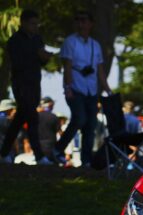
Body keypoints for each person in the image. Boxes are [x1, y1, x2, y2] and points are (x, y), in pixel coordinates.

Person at [54, 10, 112, 167]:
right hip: (75, 88)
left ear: (91, 24)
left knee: (90, 125)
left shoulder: (95, 45)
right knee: (79, 119)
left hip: (91, 89)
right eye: (78, 20)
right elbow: (67, 66)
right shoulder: (70, 42)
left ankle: (86, 160)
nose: (80, 23)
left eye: (84, 20)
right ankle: (58, 149)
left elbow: (100, 70)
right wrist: (67, 87)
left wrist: (108, 90)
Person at [0, 9, 53, 165]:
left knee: (19, 119)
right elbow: (18, 63)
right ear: (23, 23)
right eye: (32, 23)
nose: (35, 27)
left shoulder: (37, 39)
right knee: (32, 117)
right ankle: (39, 155)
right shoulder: (15, 41)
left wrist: (45, 57)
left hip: (34, 83)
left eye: (37, 24)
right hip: (21, 84)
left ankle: (4, 152)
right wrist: (35, 54)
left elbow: (42, 61)